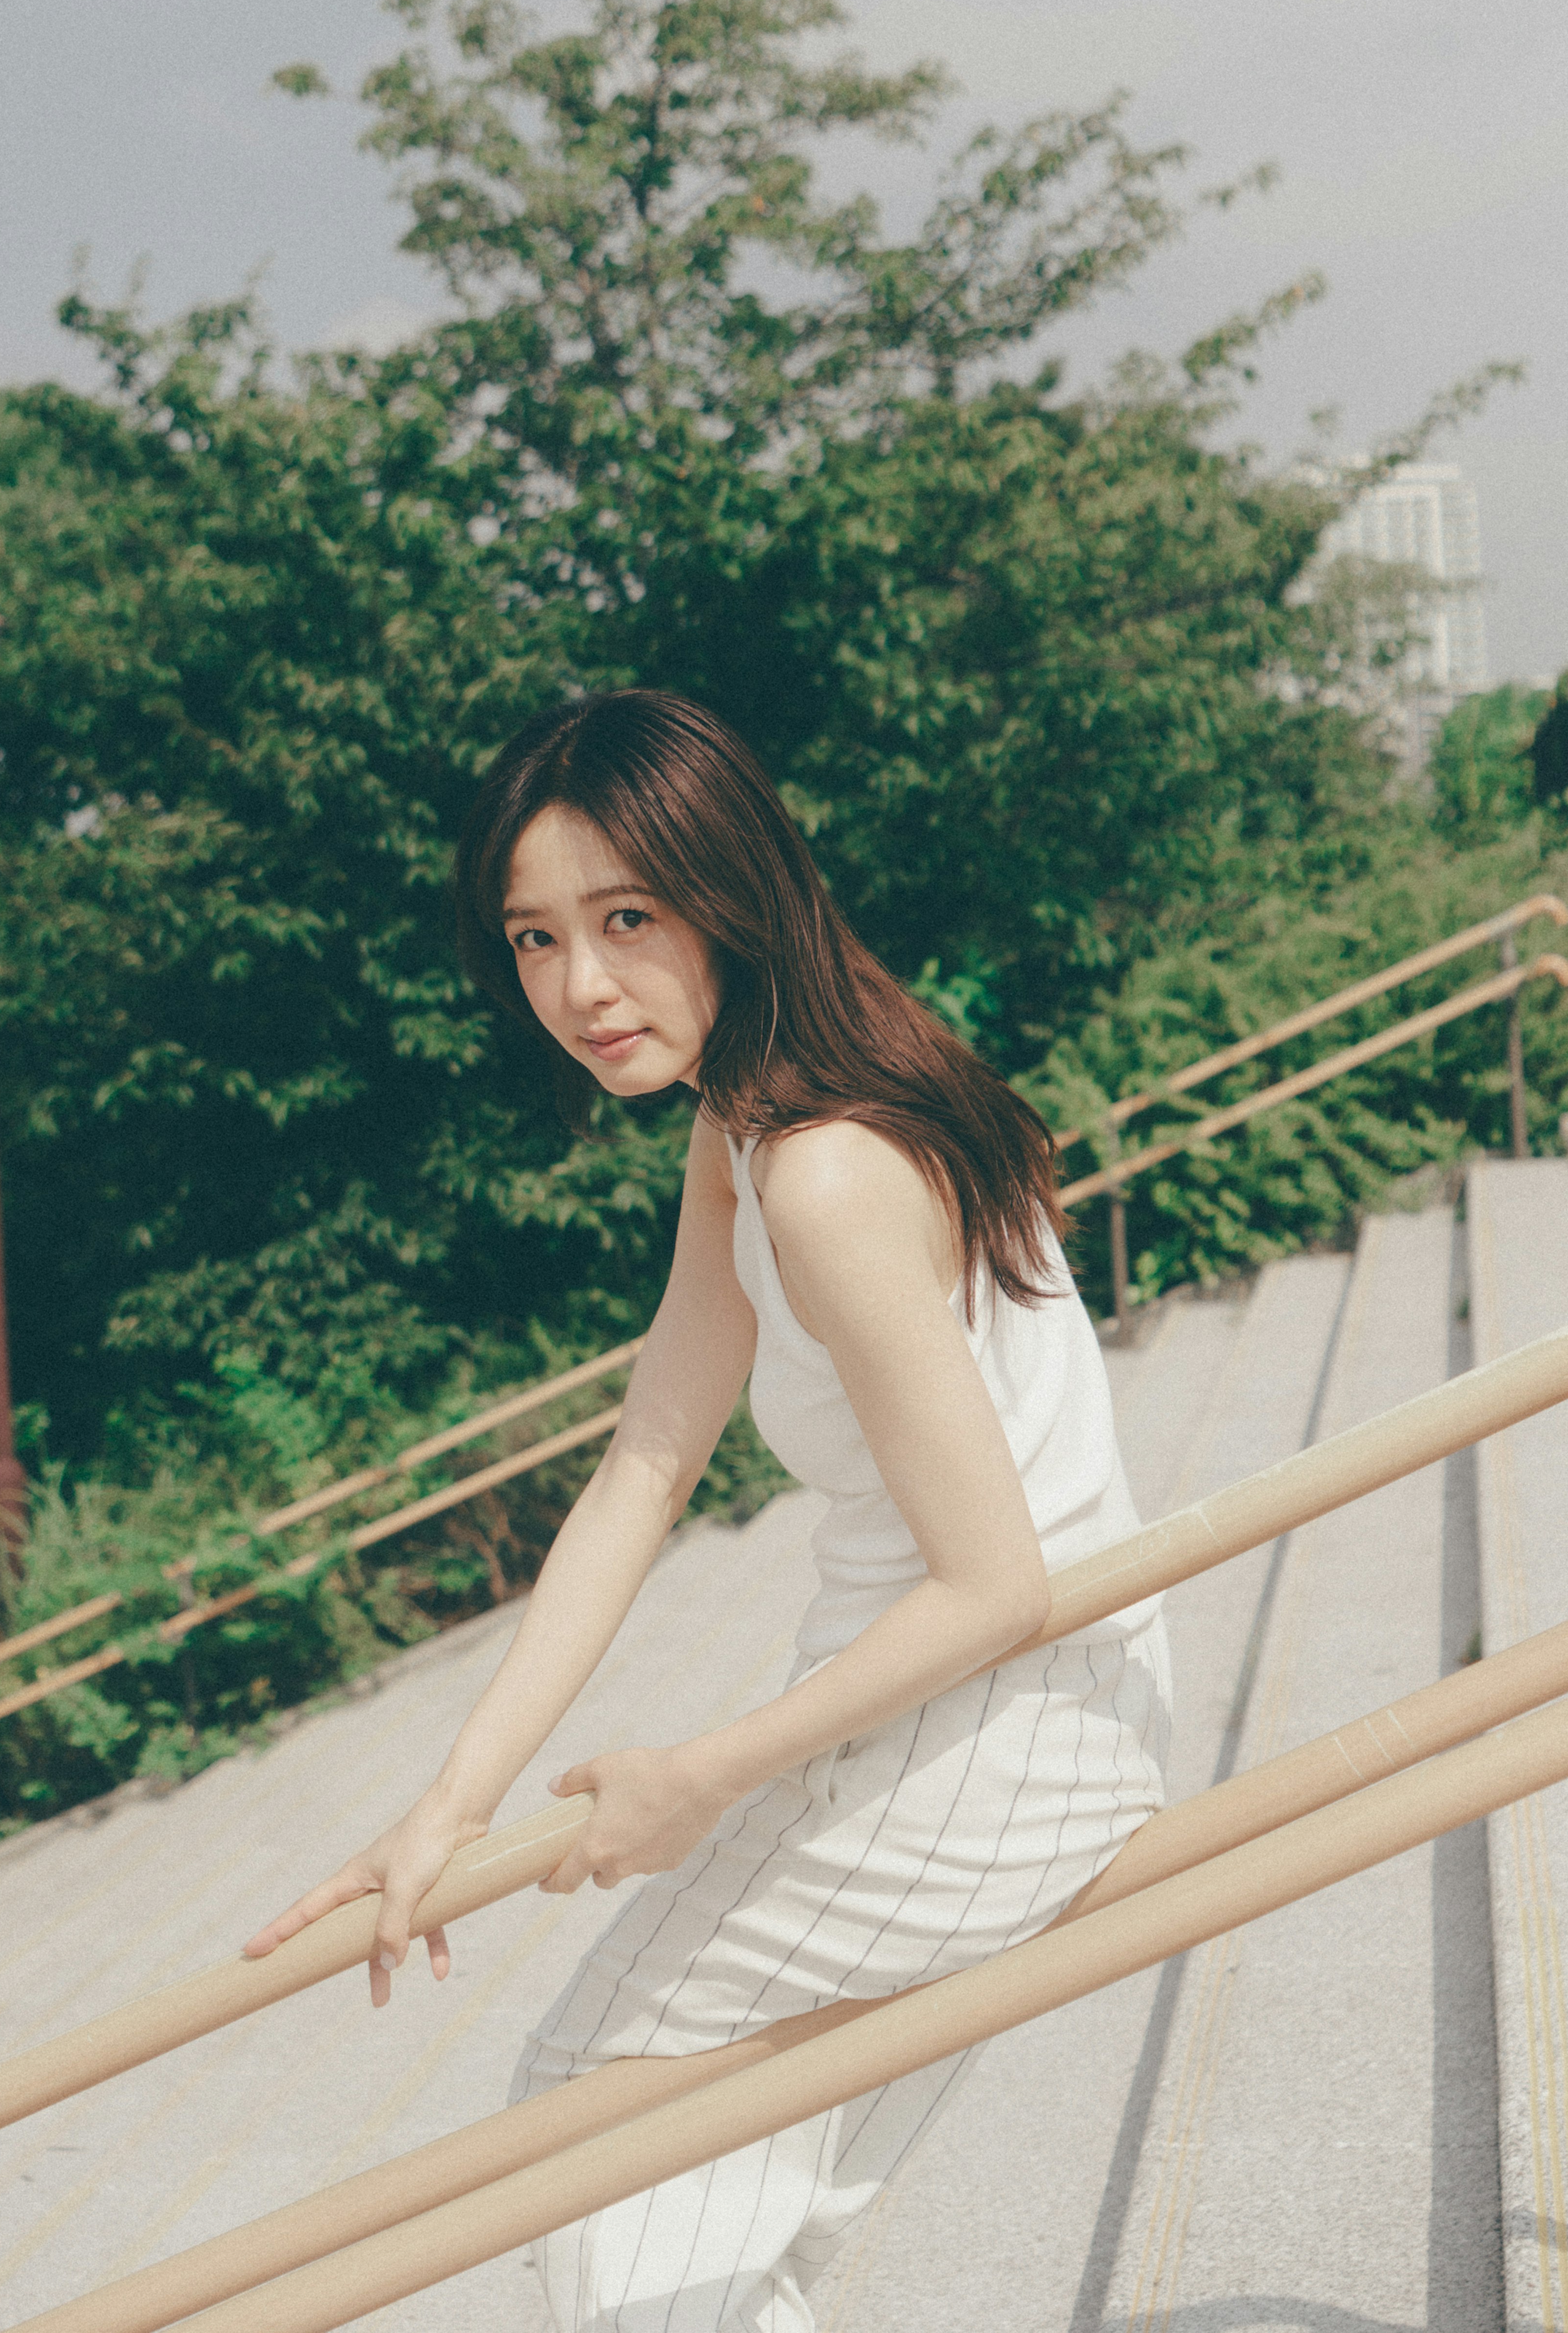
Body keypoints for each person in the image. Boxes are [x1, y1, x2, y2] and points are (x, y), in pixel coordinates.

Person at [246, 688, 1170, 2332]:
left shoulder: (821, 1169)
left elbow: (997, 1584)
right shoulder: (749, 1130)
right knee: (716, 2205)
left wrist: (695, 1779)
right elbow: (648, 1463)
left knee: (597, 2115)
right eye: (533, 939)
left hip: (1000, 1721)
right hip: (954, 1709)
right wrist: (451, 1802)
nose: (578, 987)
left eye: (625, 919)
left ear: (728, 894)